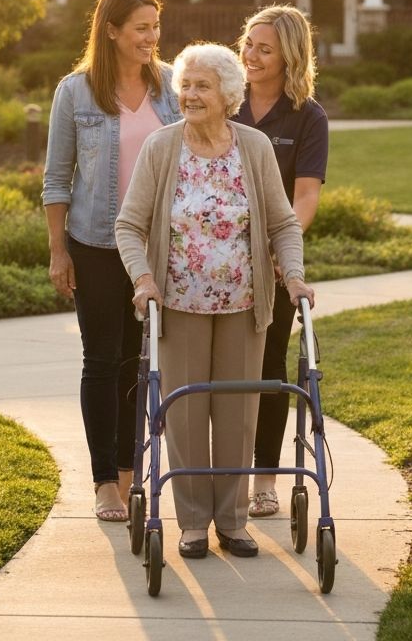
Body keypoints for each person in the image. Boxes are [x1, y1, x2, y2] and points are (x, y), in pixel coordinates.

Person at [115, 42, 316, 560]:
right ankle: (192, 524)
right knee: (183, 414)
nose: (190, 94)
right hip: (178, 302)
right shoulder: (162, 147)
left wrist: (293, 275)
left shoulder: (253, 147)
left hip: (244, 305)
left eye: (202, 85)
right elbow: (129, 225)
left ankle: (232, 521)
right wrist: (143, 279)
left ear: (228, 94)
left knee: (236, 414)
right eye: (185, 85)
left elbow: (282, 222)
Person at [42, 0, 180, 523]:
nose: (151, 37)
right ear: (112, 30)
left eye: (155, 27)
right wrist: (59, 252)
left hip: (154, 248)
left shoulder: (171, 87)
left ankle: (129, 473)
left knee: (140, 363)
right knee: (101, 360)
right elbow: (57, 179)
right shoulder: (75, 93)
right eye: (141, 28)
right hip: (96, 245)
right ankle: (105, 482)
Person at [232, 4, 328, 519]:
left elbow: (305, 194)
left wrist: (278, 247)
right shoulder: (226, 100)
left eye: (264, 49)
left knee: (268, 371)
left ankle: (264, 480)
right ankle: (221, 477)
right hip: (214, 263)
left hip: (271, 268)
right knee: (219, 374)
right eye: (248, 43)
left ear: (289, 56)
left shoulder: (307, 116)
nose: (250, 55)